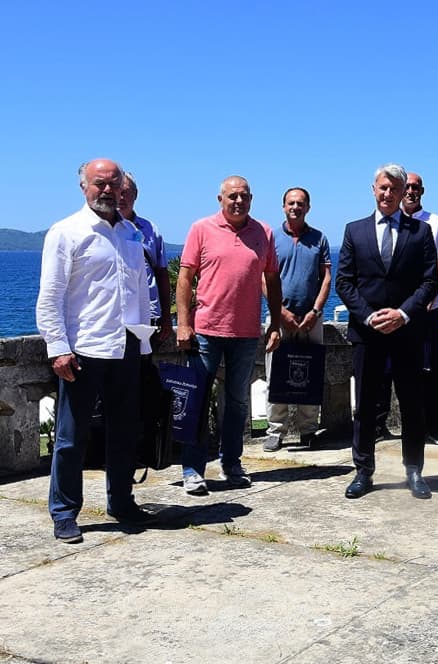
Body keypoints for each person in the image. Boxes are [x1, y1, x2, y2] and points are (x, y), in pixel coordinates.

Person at [37, 158, 156, 543]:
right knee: (72, 438)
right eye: (99, 183)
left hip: (126, 347)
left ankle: (121, 502)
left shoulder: (131, 233)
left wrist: (143, 342)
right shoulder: (66, 232)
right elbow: (50, 296)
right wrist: (58, 348)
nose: (107, 190)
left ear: (123, 188)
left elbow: (139, 291)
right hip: (84, 350)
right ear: (84, 186)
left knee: (124, 433)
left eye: (113, 184)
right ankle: (64, 512)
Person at [337, 163, 438, 500]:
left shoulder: (420, 231)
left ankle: (414, 471)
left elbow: (429, 281)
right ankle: (363, 471)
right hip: (368, 333)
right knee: (366, 405)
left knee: (412, 404)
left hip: (407, 333)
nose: (388, 194)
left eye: (395, 188)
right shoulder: (354, 231)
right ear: (373, 189)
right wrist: (369, 317)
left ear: (403, 192)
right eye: (383, 187)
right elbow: (344, 282)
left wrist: (403, 314)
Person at [176, 176, 283, 495]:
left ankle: (232, 464)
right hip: (206, 330)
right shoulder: (201, 228)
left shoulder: (263, 232)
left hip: (246, 332)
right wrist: (184, 323)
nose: (238, 201)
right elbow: (185, 278)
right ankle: (192, 470)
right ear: (220, 199)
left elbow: (272, 280)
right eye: (233, 196)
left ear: (251, 199)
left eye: (244, 196)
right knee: (197, 399)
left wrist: (275, 323)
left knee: (237, 403)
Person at [262, 187, 332, 452]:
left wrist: (315, 311)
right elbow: (262, 278)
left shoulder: (319, 238)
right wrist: (281, 312)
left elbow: (326, 278)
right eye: (291, 203)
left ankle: (308, 430)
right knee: (276, 374)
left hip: (311, 318)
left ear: (308, 207)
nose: (295, 207)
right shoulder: (271, 238)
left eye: (300, 203)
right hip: (278, 317)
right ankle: (275, 431)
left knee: (310, 373)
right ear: (283, 206)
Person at [402, 172, 438, 446]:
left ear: (422, 191)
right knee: (389, 369)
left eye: (415, 187)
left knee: (429, 369)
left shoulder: (436, 222)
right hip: (396, 310)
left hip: (427, 310)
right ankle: (381, 425)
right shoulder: (390, 221)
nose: (411, 191)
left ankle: (435, 427)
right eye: (406, 186)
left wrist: (426, 299)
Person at [118, 173, 172, 345]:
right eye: (117, 191)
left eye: (126, 192)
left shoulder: (150, 229)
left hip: (148, 316)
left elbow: (162, 274)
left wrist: (166, 316)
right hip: (114, 319)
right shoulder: (100, 230)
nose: (121, 197)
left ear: (135, 195)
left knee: (145, 361)